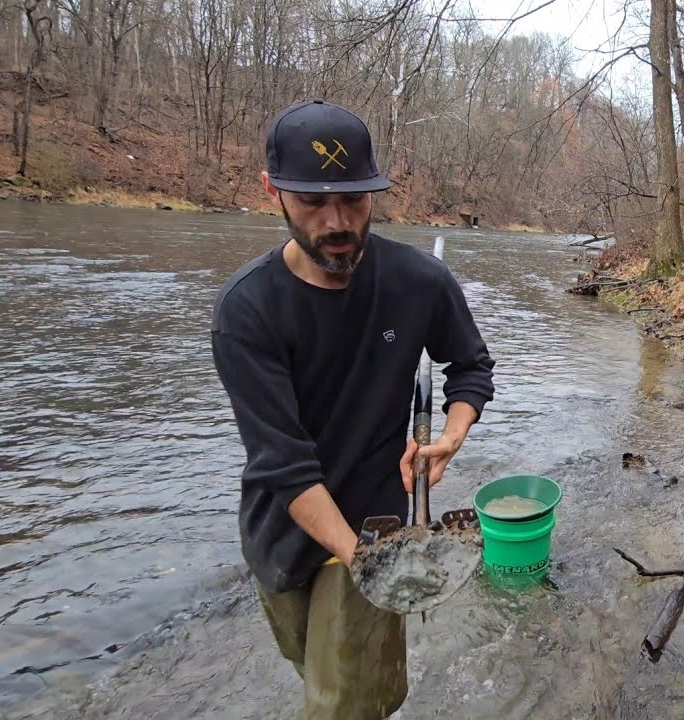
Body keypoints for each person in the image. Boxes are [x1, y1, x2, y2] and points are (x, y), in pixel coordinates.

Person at [209, 99, 496, 719]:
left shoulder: (419, 281)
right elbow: (283, 465)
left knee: (345, 706)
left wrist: (451, 434)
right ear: (273, 192)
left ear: (376, 192)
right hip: (281, 532)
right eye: (312, 202)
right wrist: (372, 566)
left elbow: (470, 367)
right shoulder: (246, 311)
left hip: (373, 525)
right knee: (314, 671)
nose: (337, 221)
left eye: (355, 200)